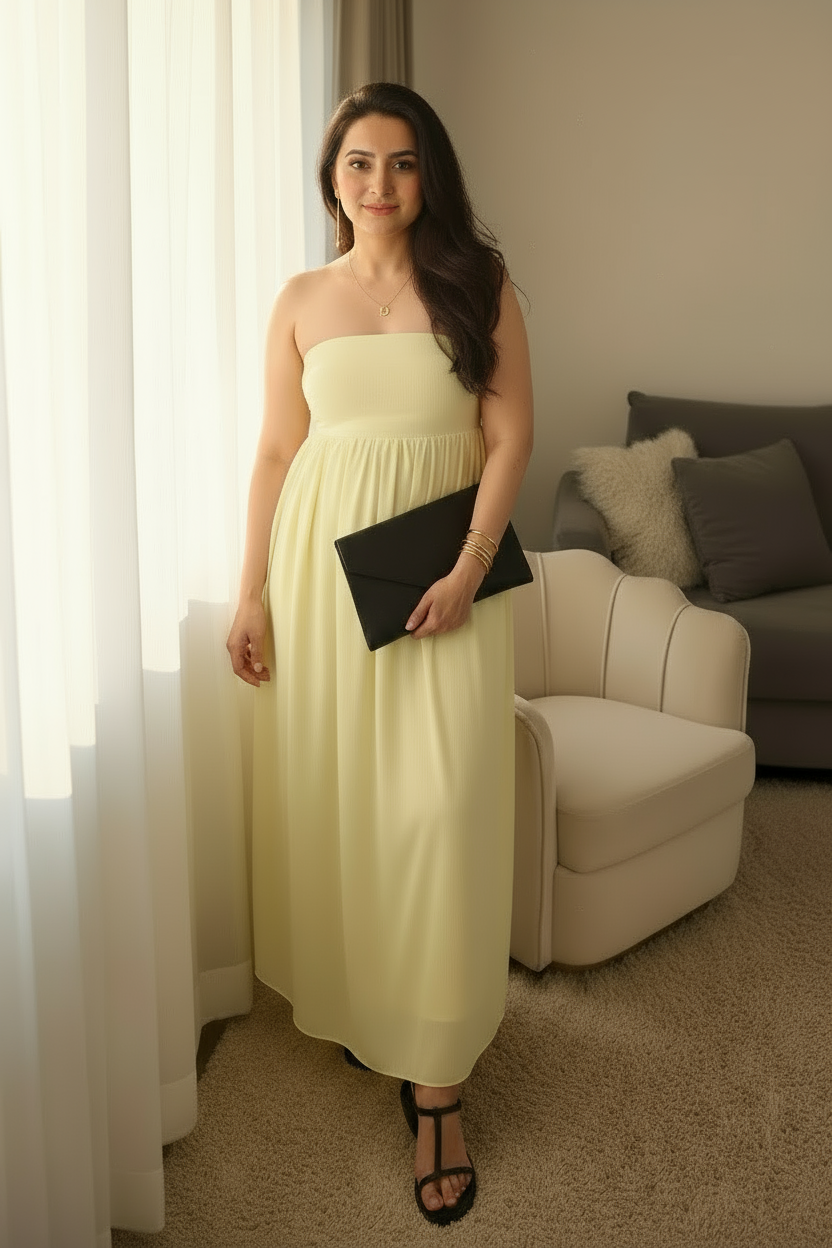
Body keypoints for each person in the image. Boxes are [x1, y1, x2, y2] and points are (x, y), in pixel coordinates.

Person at [226, 81, 533, 1226]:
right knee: (345, 802)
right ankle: (377, 1012)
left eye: (402, 163)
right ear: (333, 177)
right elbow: (273, 449)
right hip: (317, 575)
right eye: (360, 163)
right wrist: (250, 591)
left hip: (442, 573)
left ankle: (440, 1086)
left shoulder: (476, 285)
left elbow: (509, 432)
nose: (380, 184)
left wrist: (467, 562)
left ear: (429, 173)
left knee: (438, 816)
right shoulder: (301, 297)